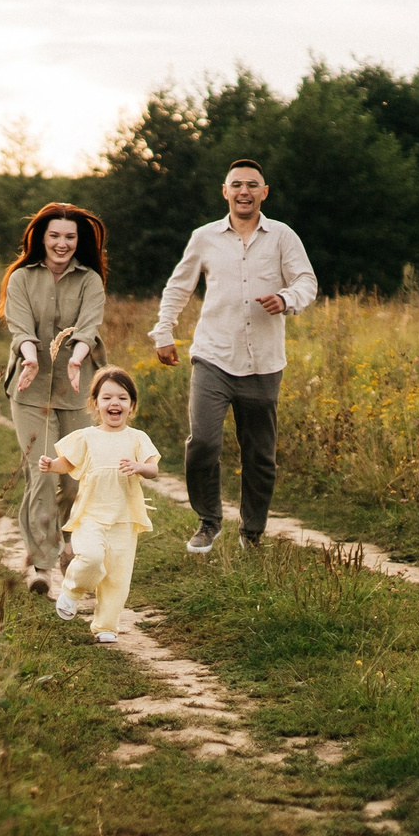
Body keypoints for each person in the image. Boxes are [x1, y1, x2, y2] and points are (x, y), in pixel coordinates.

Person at [150, 159, 317, 550]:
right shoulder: (204, 237)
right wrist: (163, 331)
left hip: (263, 362)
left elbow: (306, 281)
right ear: (225, 191)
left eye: (252, 185)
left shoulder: (282, 236)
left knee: (260, 455)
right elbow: (178, 287)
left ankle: (252, 532)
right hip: (213, 356)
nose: (244, 191)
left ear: (265, 192)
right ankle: (208, 520)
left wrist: (285, 297)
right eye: (237, 184)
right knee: (203, 443)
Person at [0, 202, 108, 592]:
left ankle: (64, 540)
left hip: (77, 390)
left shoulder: (90, 280)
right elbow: (20, 327)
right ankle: (42, 566)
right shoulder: (22, 279)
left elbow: (89, 328)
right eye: (55, 236)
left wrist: (76, 360)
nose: (62, 244)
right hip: (30, 389)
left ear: (79, 241)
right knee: (41, 473)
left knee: (75, 478)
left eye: (70, 237)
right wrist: (29, 358)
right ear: (40, 238)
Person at [40, 366, 159, 643]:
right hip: (91, 515)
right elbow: (67, 464)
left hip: (124, 518)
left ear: (132, 405)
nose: (114, 403)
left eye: (122, 398)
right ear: (95, 404)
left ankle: (106, 626)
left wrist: (140, 466)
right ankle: (71, 590)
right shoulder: (86, 437)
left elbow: (153, 470)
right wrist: (51, 465)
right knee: (92, 559)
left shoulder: (138, 438)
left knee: (117, 577)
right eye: (107, 398)